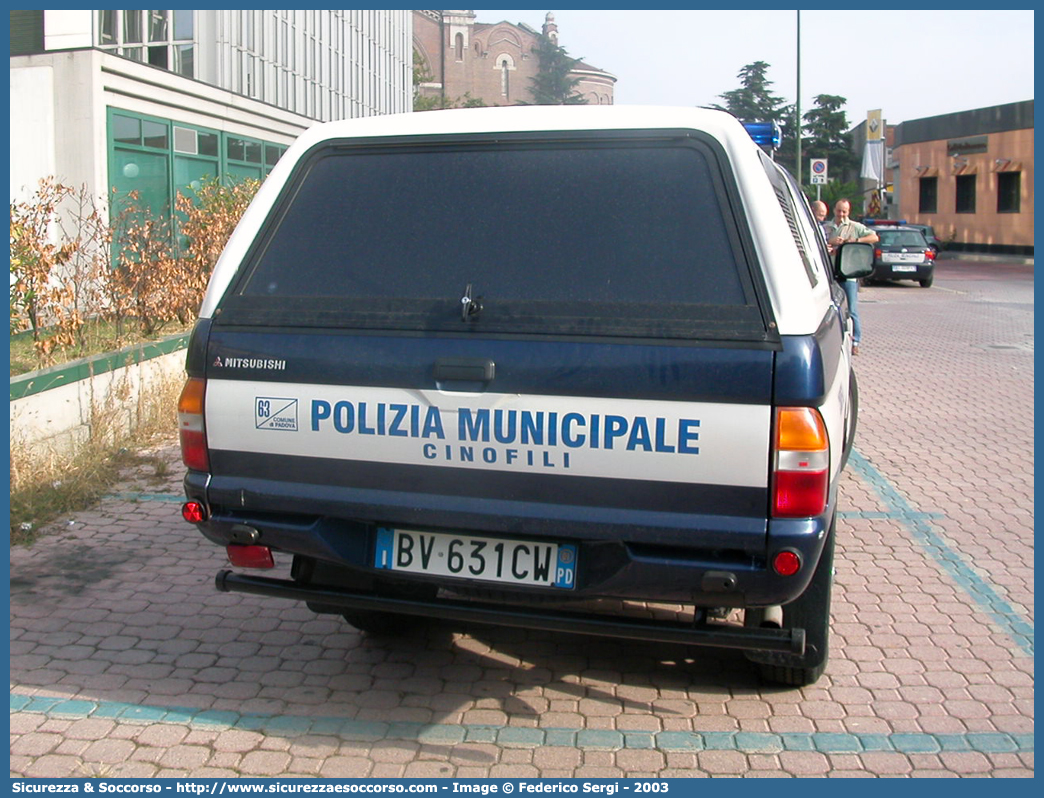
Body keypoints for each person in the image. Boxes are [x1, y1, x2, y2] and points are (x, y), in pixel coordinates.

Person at [824, 198, 878, 354]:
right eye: (839, 211)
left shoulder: (854, 227)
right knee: (830, 310)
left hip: (848, 275)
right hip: (831, 274)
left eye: (844, 212)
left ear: (848, 212)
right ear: (834, 210)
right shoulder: (827, 227)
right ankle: (834, 340)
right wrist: (830, 242)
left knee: (852, 310)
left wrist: (855, 240)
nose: (841, 214)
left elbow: (874, 237)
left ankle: (856, 342)